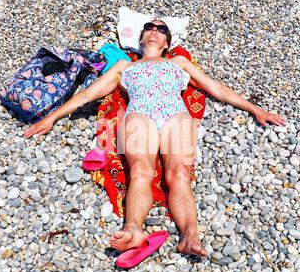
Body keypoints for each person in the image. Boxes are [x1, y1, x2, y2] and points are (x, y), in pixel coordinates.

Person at [24, 20, 286, 257]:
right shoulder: (125, 66)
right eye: (149, 27)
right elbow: (88, 95)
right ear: (141, 39)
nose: (154, 31)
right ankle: (133, 230)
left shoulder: (179, 64)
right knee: (140, 171)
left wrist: (255, 109)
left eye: (162, 30)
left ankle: (189, 236)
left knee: (179, 174)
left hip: (176, 115)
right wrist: (52, 118)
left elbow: (215, 88)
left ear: (167, 43)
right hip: (140, 115)